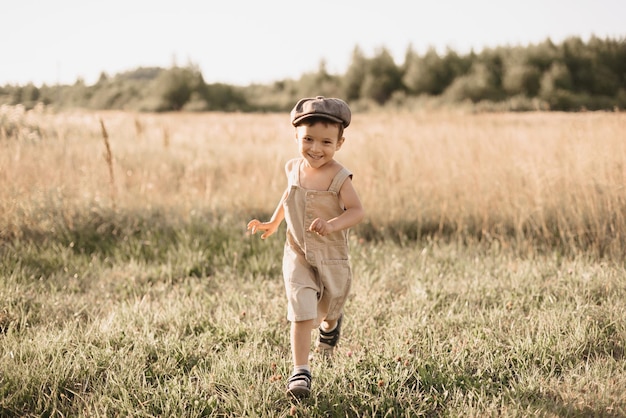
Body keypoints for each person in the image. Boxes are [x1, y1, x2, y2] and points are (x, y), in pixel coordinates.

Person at [247, 96, 364, 399]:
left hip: (330, 255)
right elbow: (289, 196)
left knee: (330, 308)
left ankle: (330, 327)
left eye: (326, 142)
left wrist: (332, 224)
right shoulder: (293, 168)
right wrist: (273, 224)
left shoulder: (339, 176)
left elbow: (356, 211)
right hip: (297, 251)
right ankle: (301, 371)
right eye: (308, 139)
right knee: (300, 310)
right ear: (296, 137)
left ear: (339, 142)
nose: (315, 148)